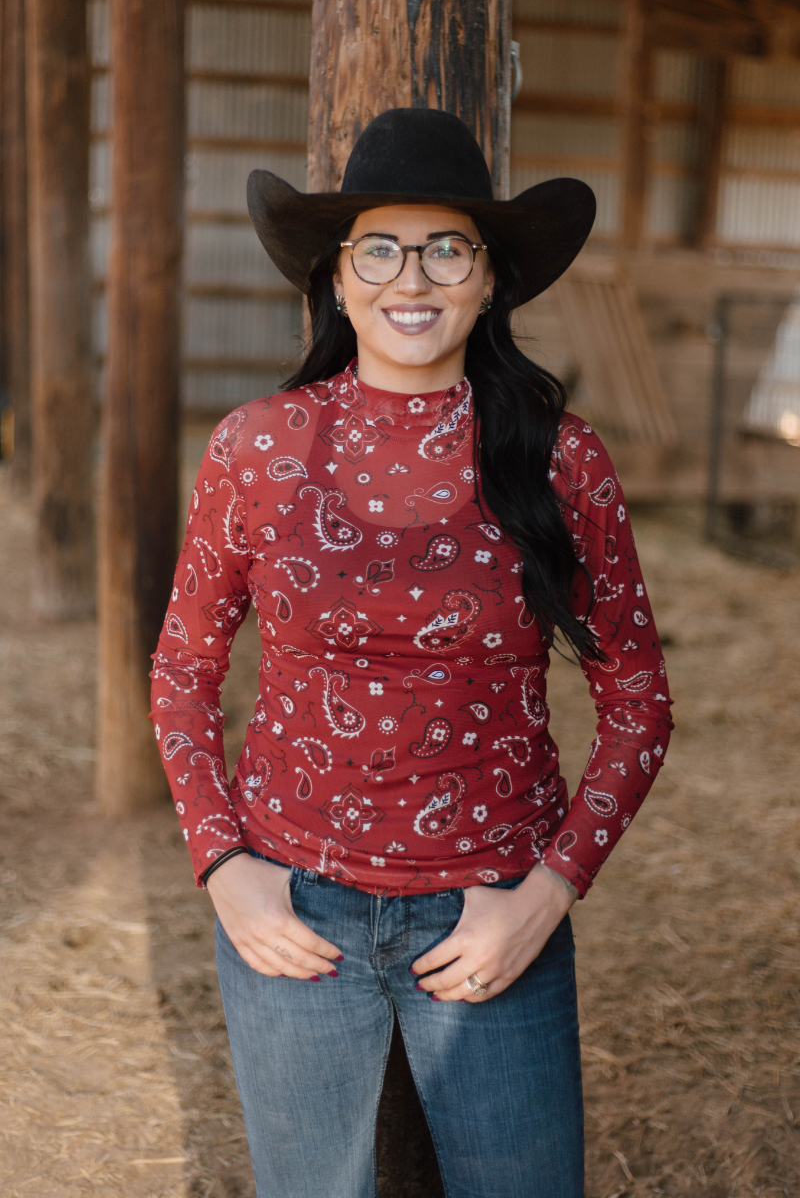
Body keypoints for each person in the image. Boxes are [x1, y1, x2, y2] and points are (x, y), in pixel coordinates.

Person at [150, 108, 672, 1198]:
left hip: (492, 912)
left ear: (489, 281)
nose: (411, 275)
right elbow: (183, 675)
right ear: (336, 281)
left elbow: (635, 699)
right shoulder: (256, 448)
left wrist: (547, 891)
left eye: (447, 246)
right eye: (377, 247)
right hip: (294, 920)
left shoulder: (559, 458)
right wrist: (226, 869)